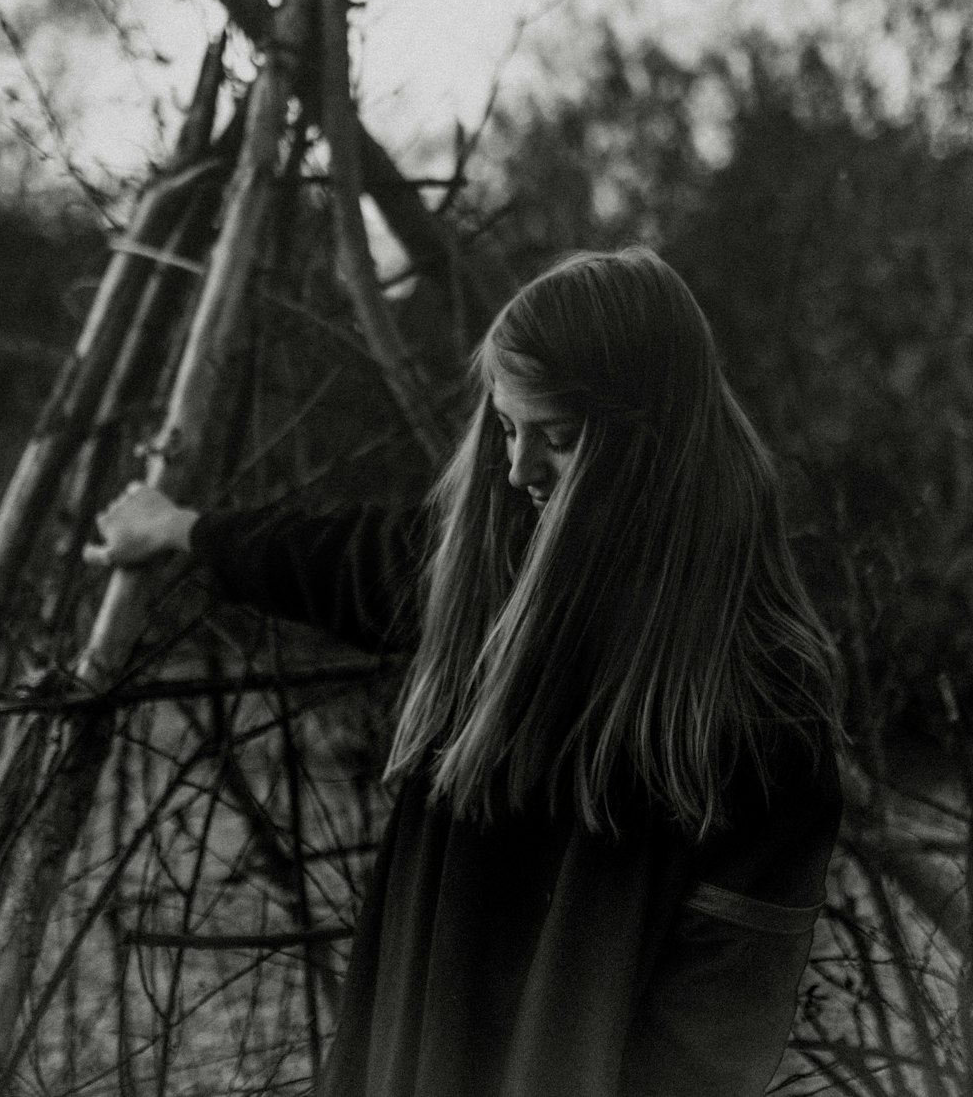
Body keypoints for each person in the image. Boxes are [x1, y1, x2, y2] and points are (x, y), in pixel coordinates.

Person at [86, 246, 843, 1097]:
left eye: (558, 438)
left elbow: (717, 1030)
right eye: (506, 427)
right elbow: (340, 555)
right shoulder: (490, 568)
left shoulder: (759, 699)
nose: (518, 472)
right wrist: (181, 528)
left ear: (652, 441)